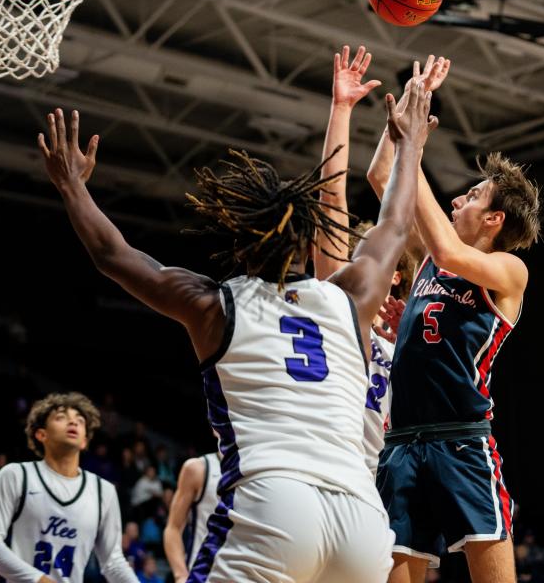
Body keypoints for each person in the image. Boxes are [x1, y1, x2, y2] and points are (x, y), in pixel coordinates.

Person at [39, 65, 438, 582]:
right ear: (304, 243)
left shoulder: (214, 304)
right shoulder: (350, 297)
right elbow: (395, 224)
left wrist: (72, 187)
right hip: (362, 521)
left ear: (239, 241)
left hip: (274, 503)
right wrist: (410, 145)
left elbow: (113, 254)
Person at [367, 56, 542, 583]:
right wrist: (405, 111)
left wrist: (416, 142)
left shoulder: (507, 271)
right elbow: (381, 175)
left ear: (494, 220)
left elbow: (447, 253)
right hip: (401, 442)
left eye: (472, 197)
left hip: (461, 440)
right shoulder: (427, 255)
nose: (457, 199)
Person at [312, 45, 428, 477]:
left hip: (392, 475)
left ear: (393, 273)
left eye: (363, 252)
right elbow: (331, 198)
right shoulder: (341, 304)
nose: (353, 259)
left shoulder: (409, 334)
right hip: (335, 470)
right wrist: (341, 109)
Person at [0, 392, 137, 583]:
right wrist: (39, 580)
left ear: (84, 441)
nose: (73, 423)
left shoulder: (104, 491)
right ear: (41, 434)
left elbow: (113, 563)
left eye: (80, 420)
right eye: (61, 417)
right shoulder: (17, 475)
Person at [163, 452, 221, 583]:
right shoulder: (199, 468)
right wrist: (181, 576)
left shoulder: (260, 470)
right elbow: (173, 528)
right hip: (203, 576)